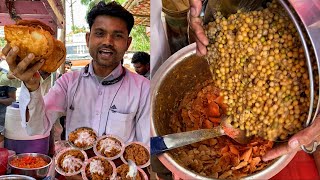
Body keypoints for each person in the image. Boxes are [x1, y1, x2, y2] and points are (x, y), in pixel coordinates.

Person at [2, 1, 150, 145]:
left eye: (117, 35)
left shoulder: (143, 88)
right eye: (100, 33)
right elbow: (36, 127)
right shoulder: (68, 82)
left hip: (121, 169)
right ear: (88, 39)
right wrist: (31, 86)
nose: (108, 41)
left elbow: (145, 145)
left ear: (128, 43)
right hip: (72, 166)